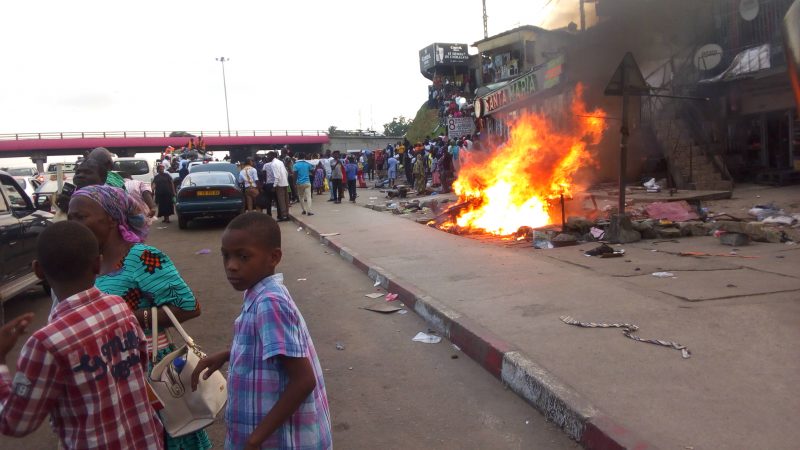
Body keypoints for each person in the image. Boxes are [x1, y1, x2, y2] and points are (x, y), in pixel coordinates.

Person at [67, 185, 210, 450]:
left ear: (111, 218)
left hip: (149, 371)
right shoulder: (89, 261)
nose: (73, 225)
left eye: (81, 217)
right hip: (107, 369)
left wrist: (123, 317)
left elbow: (189, 306)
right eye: (70, 218)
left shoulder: (142, 257)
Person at [0, 221, 164, 449]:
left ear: (38, 270)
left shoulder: (46, 343)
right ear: (97, 263)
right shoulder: (119, 307)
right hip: (145, 441)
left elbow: (15, 422)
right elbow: (141, 359)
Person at [191, 213, 331, 450]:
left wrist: (256, 438)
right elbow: (270, 347)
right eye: (226, 256)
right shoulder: (258, 293)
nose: (231, 266)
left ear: (273, 257)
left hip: (278, 441)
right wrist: (229, 354)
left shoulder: (270, 302)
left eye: (243, 257)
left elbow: (304, 380)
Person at [271, 151, 290, 221]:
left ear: (272, 156)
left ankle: (284, 215)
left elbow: (277, 176)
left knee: (281, 201)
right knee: (286, 200)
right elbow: (286, 172)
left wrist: (274, 186)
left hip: (279, 184)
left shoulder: (273, 164)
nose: (267, 157)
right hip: (285, 182)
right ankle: (287, 214)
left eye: (268, 156)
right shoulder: (280, 162)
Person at [262, 153, 278, 217]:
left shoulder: (265, 165)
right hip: (276, 184)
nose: (267, 157)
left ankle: (269, 214)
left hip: (268, 184)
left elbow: (264, 174)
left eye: (268, 156)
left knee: (268, 200)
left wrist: (265, 182)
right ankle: (279, 215)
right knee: (277, 200)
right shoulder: (277, 164)